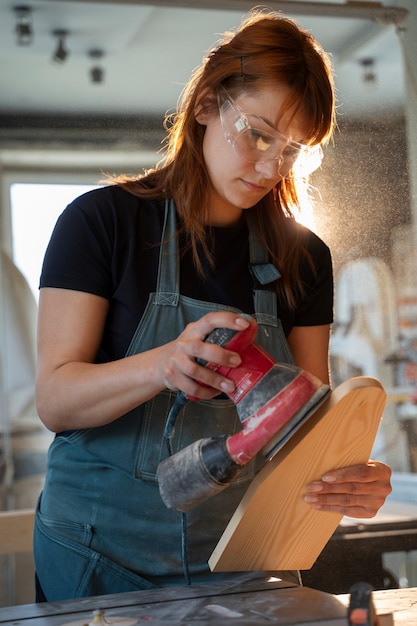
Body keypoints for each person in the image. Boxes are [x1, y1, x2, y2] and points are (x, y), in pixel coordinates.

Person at [33, 8, 392, 602]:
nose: (272, 167)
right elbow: (55, 399)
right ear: (206, 104)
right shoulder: (100, 224)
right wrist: (161, 365)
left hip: (239, 564)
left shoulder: (304, 258)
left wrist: (349, 479)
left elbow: (300, 434)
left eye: (294, 149)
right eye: (258, 134)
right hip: (97, 556)